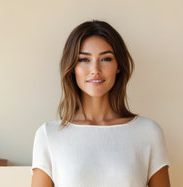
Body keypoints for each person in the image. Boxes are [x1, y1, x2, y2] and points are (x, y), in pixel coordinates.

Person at [30, 20, 171, 187]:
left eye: (105, 58)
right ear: (72, 67)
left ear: (118, 66)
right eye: (84, 59)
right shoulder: (49, 135)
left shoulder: (149, 132)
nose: (95, 69)